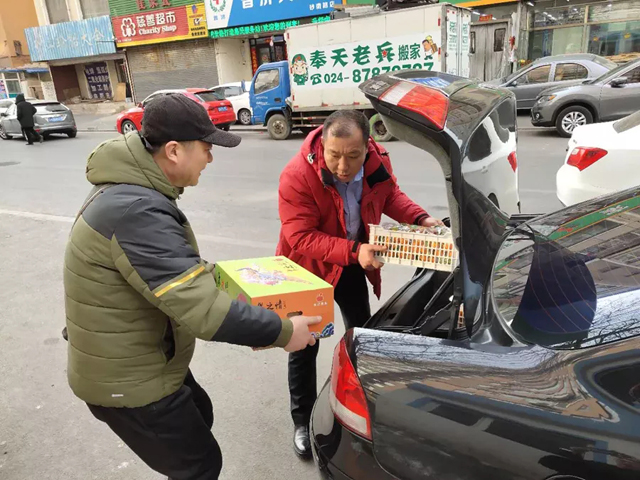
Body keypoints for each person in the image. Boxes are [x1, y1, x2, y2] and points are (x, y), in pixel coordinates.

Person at [63, 94, 321, 480]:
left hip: (142, 355)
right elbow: (204, 311)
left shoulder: (132, 190)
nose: (210, 159)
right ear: (173, 151)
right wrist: (284, 332)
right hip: (126, 378)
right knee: (199, 465)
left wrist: (246, 283)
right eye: (206, 148)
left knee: (201, 413)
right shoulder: (137, 210)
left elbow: (177, 272)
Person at [276, 110, 443, 458]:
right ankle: (302, 420)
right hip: (308, 269)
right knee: (304, 344)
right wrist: (355, 250)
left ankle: (361, 406)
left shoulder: (378, 163)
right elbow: (300, 236)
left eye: (352, 156)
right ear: (322, 145)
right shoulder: (297, 175)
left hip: (352, 263)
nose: (342, 166)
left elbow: (390, 196)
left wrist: (420, 218)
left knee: (360, 335)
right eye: (334, 155)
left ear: (368, 147)